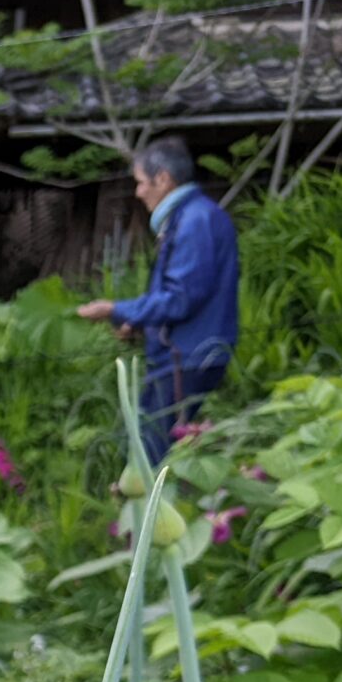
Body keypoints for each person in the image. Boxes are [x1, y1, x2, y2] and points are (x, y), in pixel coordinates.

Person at [77, 137, 240, 465]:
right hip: (187, 353)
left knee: (151, 456)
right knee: (159, 445)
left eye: (140, 182)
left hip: (186, 356)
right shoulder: (192, 216)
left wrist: (116, 310)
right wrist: (137, 322)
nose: (138, 193)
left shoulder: (194, 221)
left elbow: (181, 299)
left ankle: (148, 500)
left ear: (163, 179)